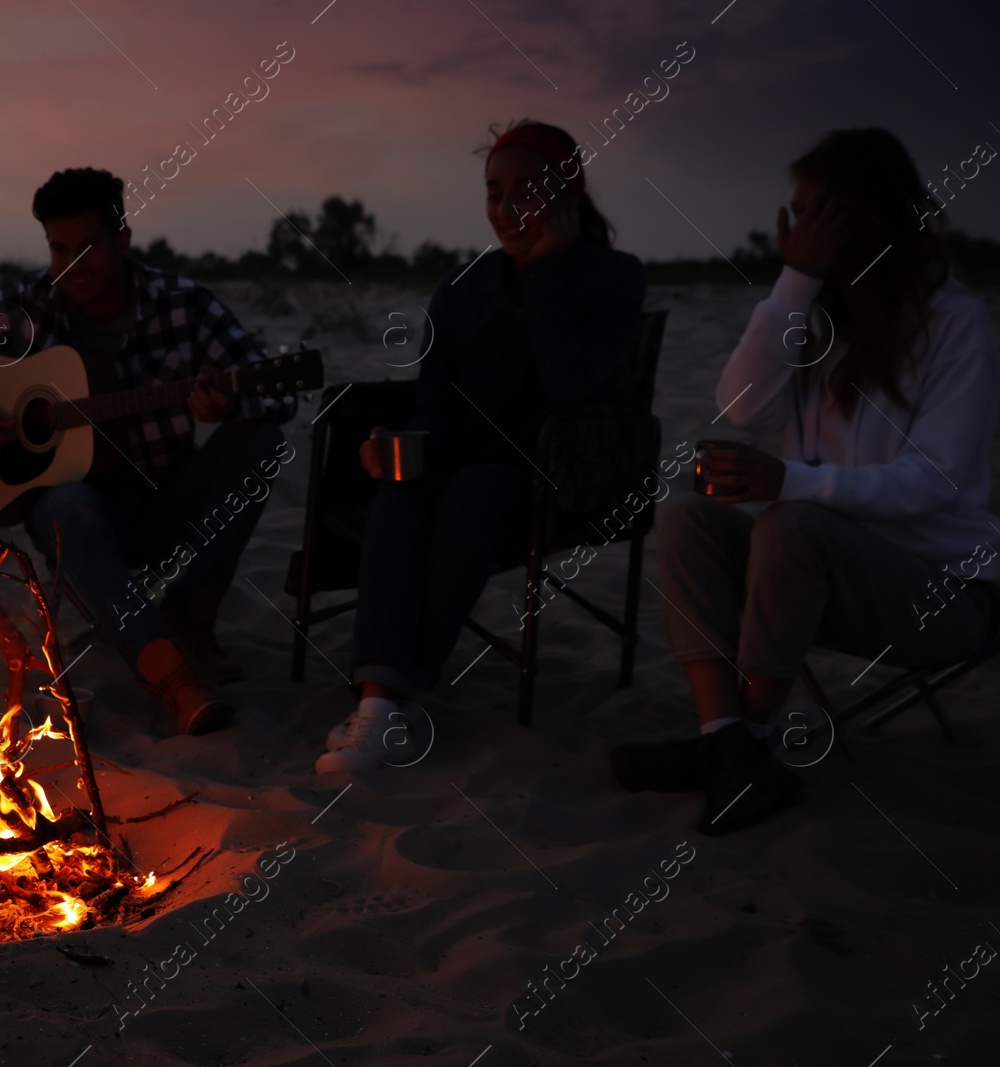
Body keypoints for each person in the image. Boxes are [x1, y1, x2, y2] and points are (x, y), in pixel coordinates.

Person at [611, 127, 999, 834]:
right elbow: (742, 406)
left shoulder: (955, 324)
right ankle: (726, 737)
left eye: (819, 213)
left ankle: (745, 752)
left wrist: (789, 480)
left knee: (792, 521)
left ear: (869, 217)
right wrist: (796, 282)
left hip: (942, 593)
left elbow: (935, 481)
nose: (798, 229)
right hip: (814, 579)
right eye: (796, 213)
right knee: (685, 514)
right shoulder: (820, 319)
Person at [0, 167, 292, 735]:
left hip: (164, 498)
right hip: (78, 510)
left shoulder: (184, 305)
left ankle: (191, 616)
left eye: (89, 248)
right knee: (65, 504)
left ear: (122, 240)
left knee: (262, 441)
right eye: (60, 250)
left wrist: (227, 406)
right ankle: (170, 670)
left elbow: (272, 391)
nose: (73, 267)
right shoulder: (26, 308)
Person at [318, 120, 646, 774]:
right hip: (461, 460)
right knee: (402, 490)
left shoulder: (614, 277)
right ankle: (383, 704)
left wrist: (549, 274)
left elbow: (574, 390)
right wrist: (398, 442)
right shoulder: (465, 287)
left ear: (568, 190)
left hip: (560, 471)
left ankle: (394, 694)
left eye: (525, 191)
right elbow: (434, 409)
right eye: (495, 193)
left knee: (477, 489)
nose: (505, 209)